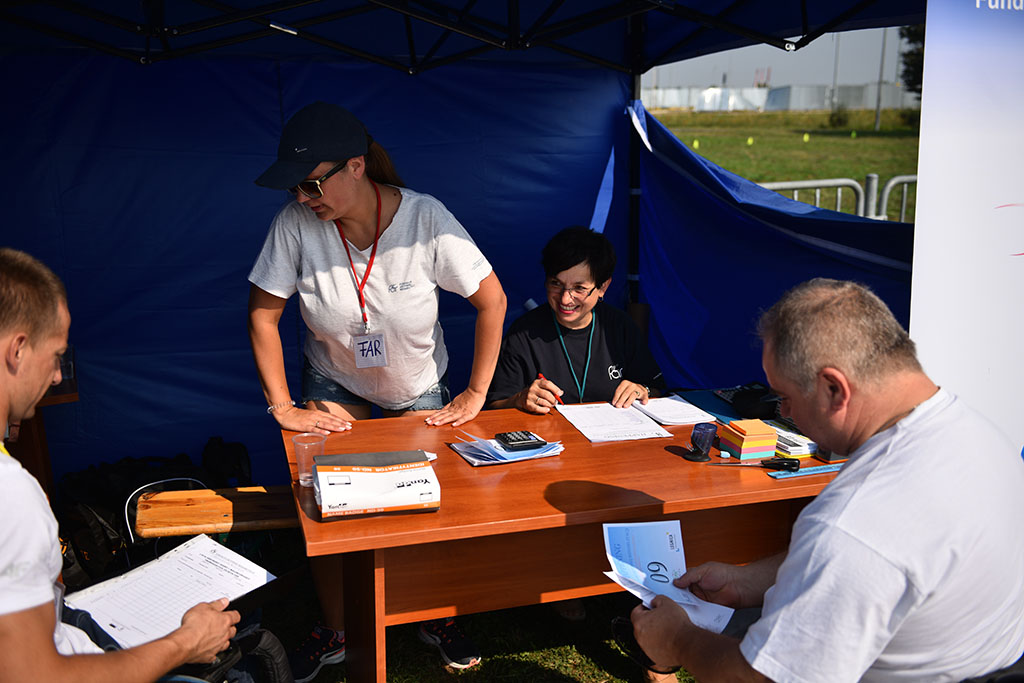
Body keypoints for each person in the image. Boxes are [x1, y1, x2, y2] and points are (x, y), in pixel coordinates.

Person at [630, 278, 1024, 682]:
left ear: (834, 389)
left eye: (784, 397)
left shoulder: (854, 522)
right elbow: (892, 565)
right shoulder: (982, 434)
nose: (784, 412)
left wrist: (678, 640)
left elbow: (762, 677)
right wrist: (747, 580)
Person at [249, 102, 504, 677]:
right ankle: (337, 627)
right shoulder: (295, 226)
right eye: (295, 187)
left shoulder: (427, 218)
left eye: (312, 185)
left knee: (424, 506)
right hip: (334, 379)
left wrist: (474, 394)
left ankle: (434, 614)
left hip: (416, 386)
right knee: (327, 500)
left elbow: (492, 301)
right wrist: (283, 407)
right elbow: (263, 316)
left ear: (357, 167)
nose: (301, 198)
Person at [0, 247, 241, 682]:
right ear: (17, 350)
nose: (57, 376)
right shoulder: (11, 495)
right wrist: (186, 642)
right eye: (56, 355)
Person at [487, 226, 664, 414]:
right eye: (556, 284)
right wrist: (519, 399)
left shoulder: (621, 326)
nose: (565, 299)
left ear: (603, 287)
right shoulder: (523, 333)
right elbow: (494, 404)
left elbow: (656, 388)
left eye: (579, 288)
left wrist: (641, 390)